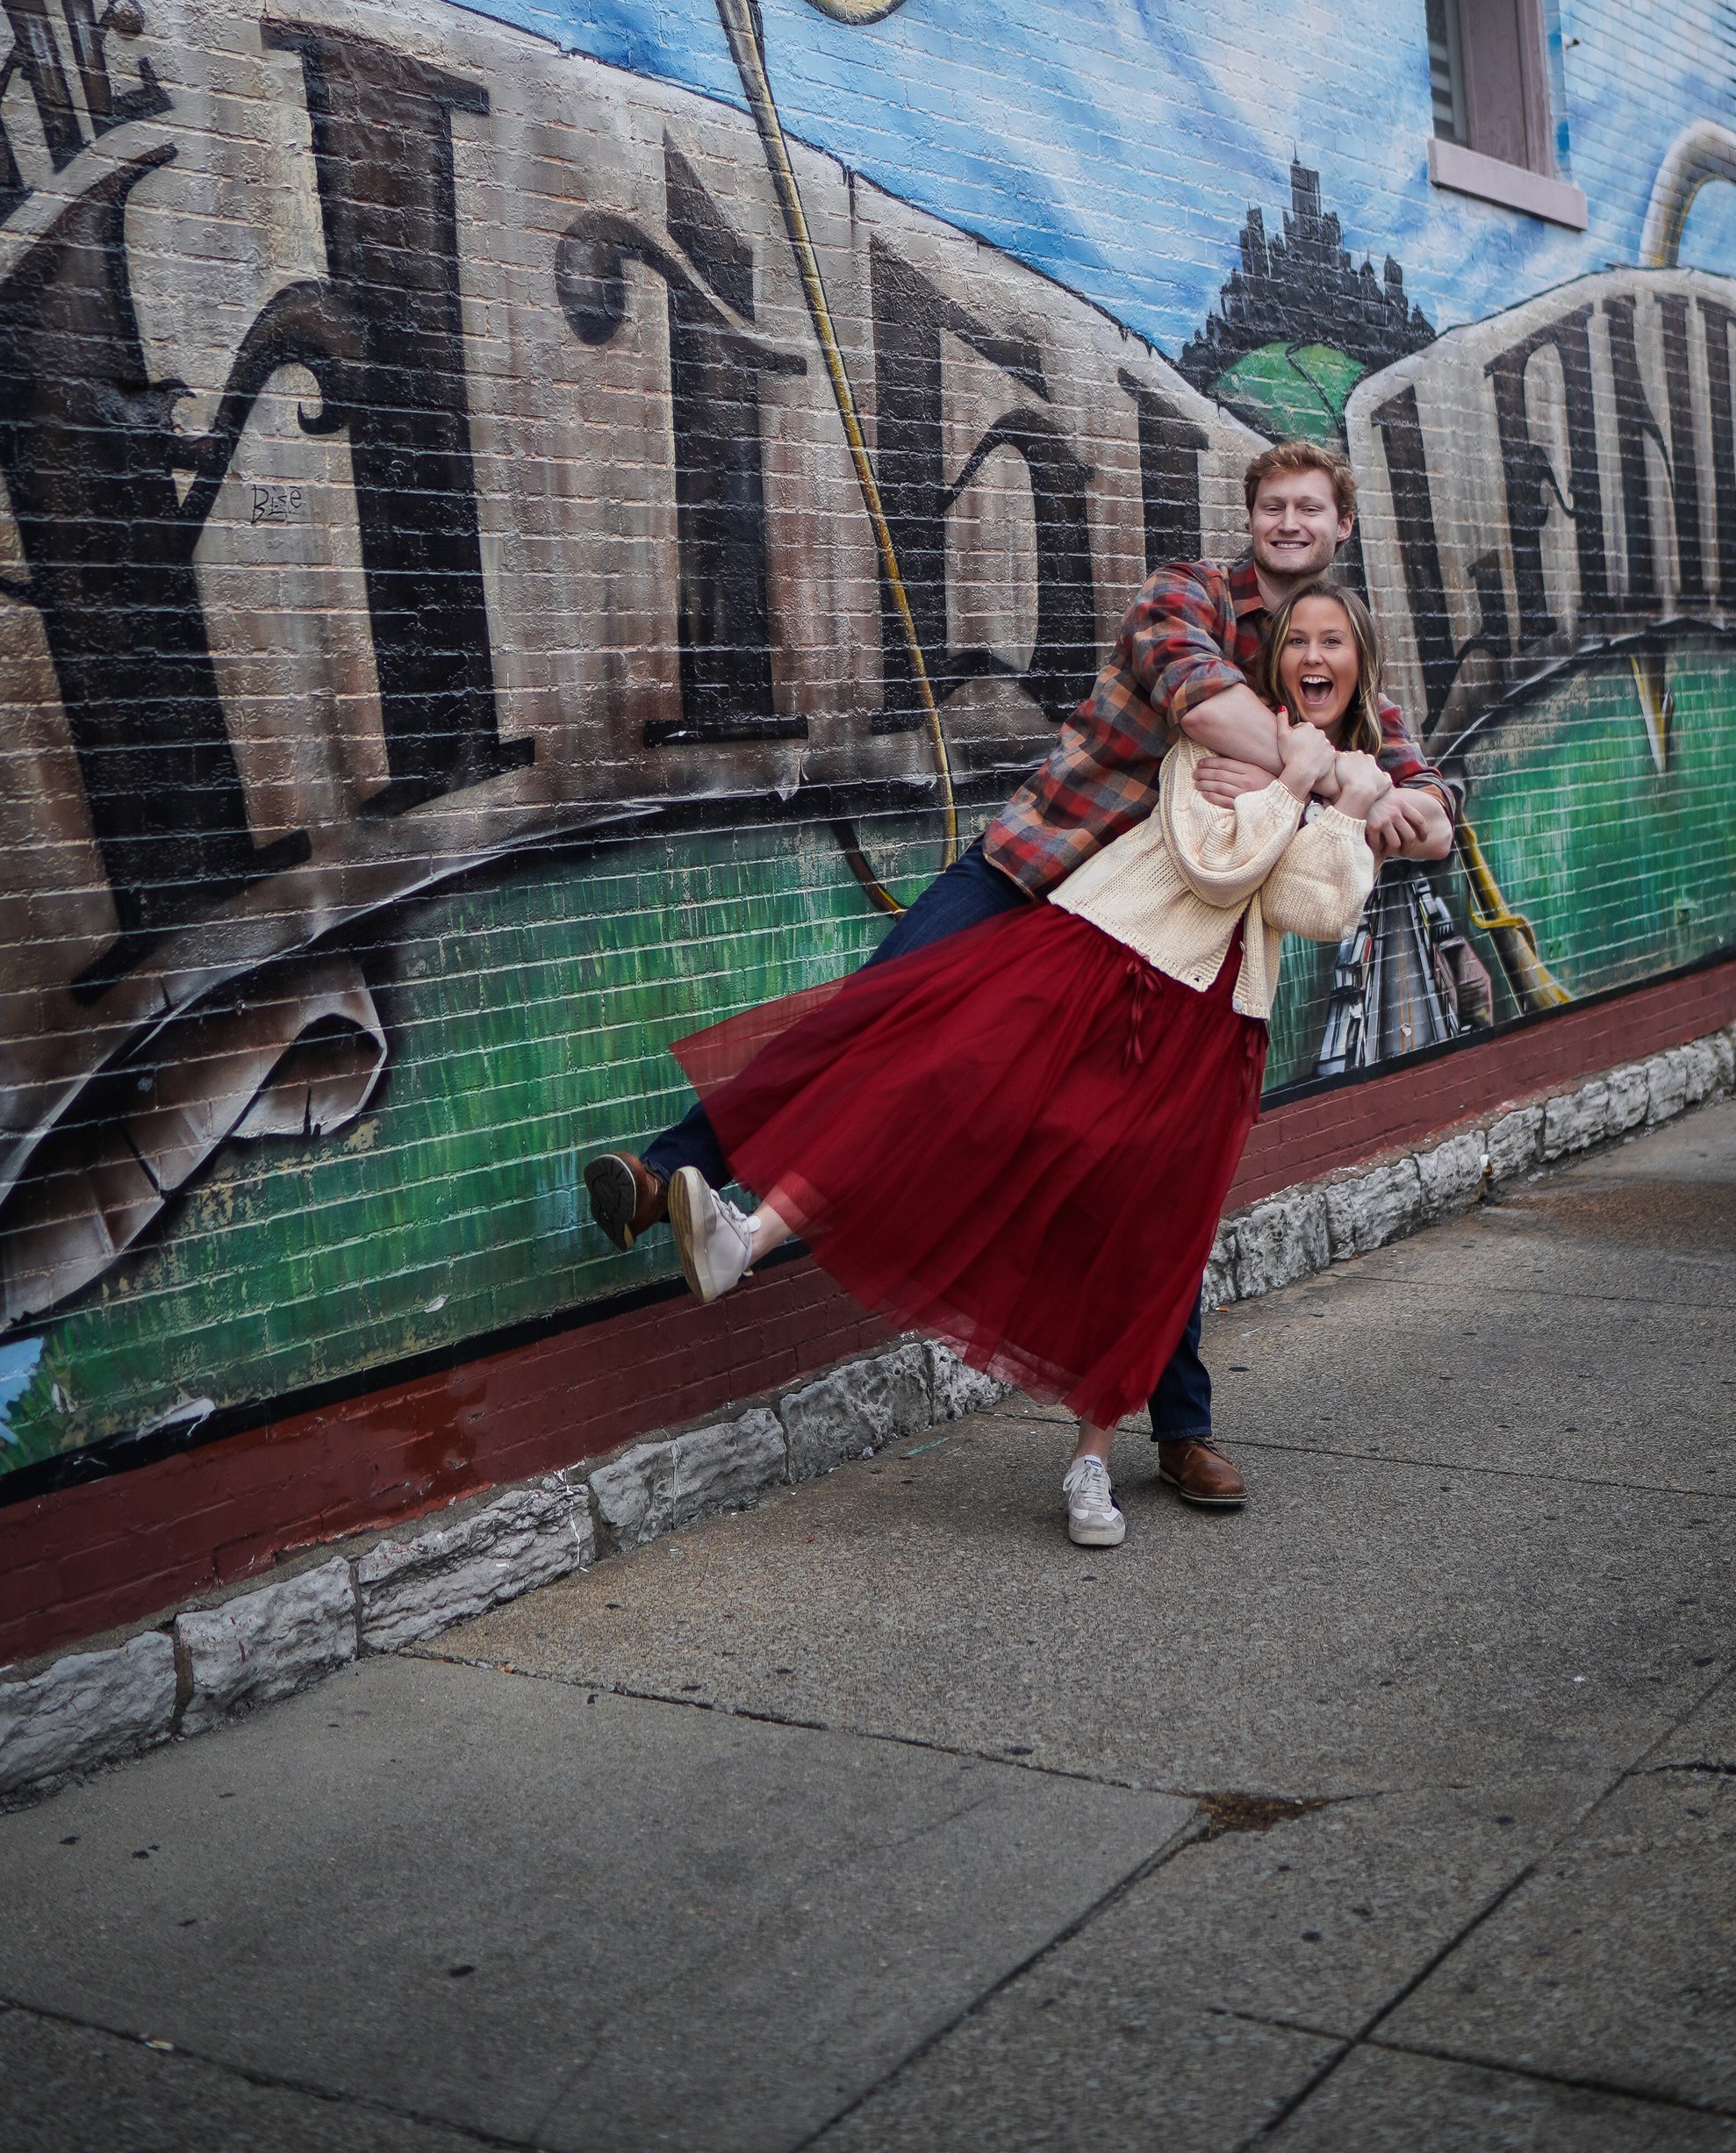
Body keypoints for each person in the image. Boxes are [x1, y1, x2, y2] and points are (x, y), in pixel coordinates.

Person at [581, 437, 1458, 1510]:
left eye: (1309, 509)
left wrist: (1382, 791)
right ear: (1250, 516)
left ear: (1340, 527)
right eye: (1273, 504)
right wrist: (1333, 778)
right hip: (1040, 871)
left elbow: (1431, 812)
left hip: (1163, 943)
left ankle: (1181, 1427)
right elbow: (1206, 710)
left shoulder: (1328, 655)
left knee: (1154, 1182)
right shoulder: (1185, 596)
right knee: (876, 1016)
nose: (1289, 523)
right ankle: (669, 1173)